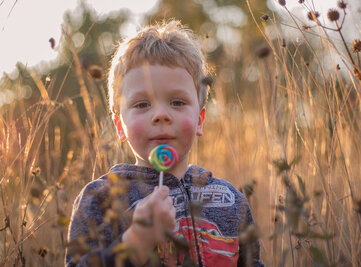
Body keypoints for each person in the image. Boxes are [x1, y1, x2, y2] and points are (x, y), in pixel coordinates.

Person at [65, 20, 264, 267]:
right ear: (120, 126)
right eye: (142, 104)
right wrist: (136, 241)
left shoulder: (231, 201)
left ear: (199, 120)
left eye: (178, 102)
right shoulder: (100, 199)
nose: (161, 114)